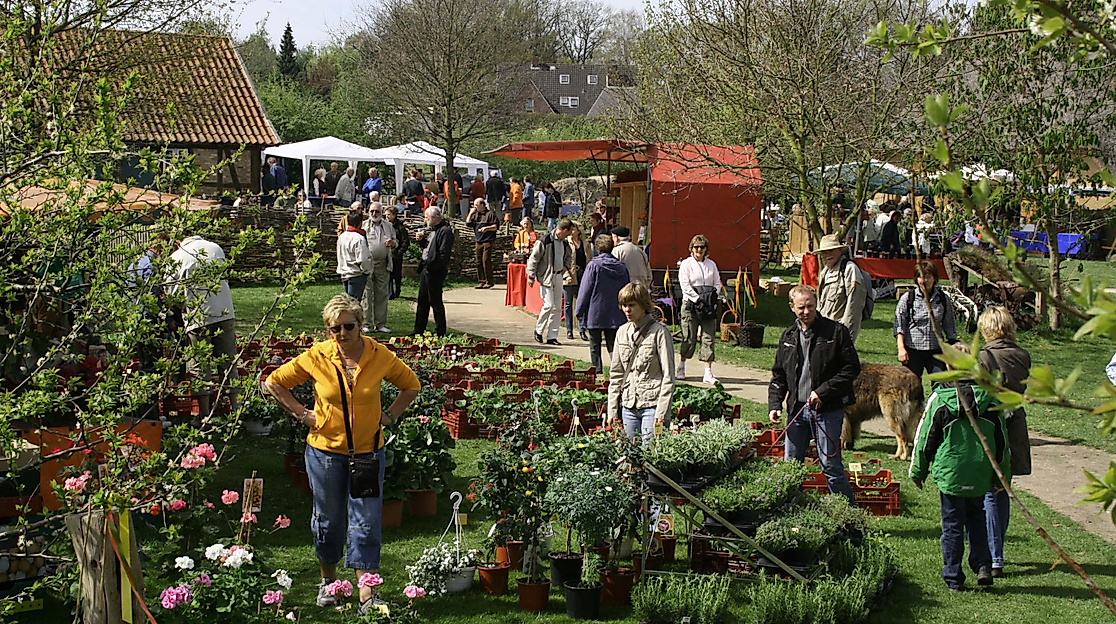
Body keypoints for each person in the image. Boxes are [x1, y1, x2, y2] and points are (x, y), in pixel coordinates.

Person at [264, 295, 420, 612]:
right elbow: (275, 382)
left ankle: (367, 593)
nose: (342, 333)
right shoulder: (318, 356)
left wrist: (389, 415)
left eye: (348, 326)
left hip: (367, 453)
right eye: (335, 328)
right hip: (325, 453)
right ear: (328, 330)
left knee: (366, 521)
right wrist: (301, 414)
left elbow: (411, 384)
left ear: (360, 325)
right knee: (328, 520)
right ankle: (329, 581)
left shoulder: (379, 355)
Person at [910, 343, 1009, 592]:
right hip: (979, 471)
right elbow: (1002, 443)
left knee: (952, 524)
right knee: (977, 518)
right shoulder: (991, 400)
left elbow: (925, 439)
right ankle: (983, 565)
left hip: (951, 472)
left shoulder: (941, 400)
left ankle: (953, 576)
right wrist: (1002, 476)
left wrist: (918, 471)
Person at [768, 285, 858, 503]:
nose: (806, 311)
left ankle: (847, 512)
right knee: (791, 465)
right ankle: (792, 508)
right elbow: (779, 374)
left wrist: (822, 392)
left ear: (816, 304)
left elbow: (851, 369)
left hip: (827, 409)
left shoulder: (836, 332)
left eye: (810, 306)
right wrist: (775, 404)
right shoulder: (788, 336)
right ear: (792, 307)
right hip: (797, 409)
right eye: (801, 307)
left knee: (830, 464)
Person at [976, 307, 1032, 578]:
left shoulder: (984, 357)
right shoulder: (1023, 355)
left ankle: (994, 557)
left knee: (989, 490)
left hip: (992, 424)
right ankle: (998, 550)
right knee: (1004, 488)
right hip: (1015, 424)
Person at [166, 234, 240, 416]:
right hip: (223, 311)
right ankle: (235, 407)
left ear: (178, 242)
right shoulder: (215, 248)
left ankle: (204, 413)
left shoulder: (176, 257)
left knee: (200, 365)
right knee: (228, 361)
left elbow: (171, 292)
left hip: (198, 317)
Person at [608, 282, 675, 443]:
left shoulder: (660, 332)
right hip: (628, 405)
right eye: (624, 305)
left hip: (653, 405)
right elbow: (616, 374)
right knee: (630, 453)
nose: (627, 310)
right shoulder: (622, 332)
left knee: (650, 452)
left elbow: (668, 376)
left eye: (632, 305)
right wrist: (612, 410)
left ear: (643, 305)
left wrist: (662, 411)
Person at [576, 235, 630, 375]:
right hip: (616, 312)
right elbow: (627, 290)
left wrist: (579, 310)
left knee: (595, 345)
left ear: (597, 248)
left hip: (596, 311)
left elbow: (585, 289)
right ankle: (618, 373)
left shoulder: (593, 266)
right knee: (613, 344)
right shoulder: (622, 267)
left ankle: (597, 372)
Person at [894, 261, 957, 377]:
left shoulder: (943, 299)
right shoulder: (908, 298)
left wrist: (953, 348)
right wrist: (901, 349)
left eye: (928, 277)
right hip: (913, 350)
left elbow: (949, 325)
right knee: (912, 384)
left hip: (936, 350)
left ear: (934, 278)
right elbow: (899, 326)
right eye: (921, 277)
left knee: (941, 383)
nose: (924, 281)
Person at [677, 234, 722, 384]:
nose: (699, 250)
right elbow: (685, 284)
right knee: (689, 337)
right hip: (691, 305)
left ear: (706, 249)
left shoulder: (712, 264)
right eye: (696, 247)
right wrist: (697, 299)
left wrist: (712, 296)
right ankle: (681, 365)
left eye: (702, 247)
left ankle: (708, 372)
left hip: (708, 305)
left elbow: (717, 283)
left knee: (709, 337)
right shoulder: (686, 264)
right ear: (691, 248)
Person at [527, 218, 574, 345]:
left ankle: (552, 336)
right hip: (546, 276)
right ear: (564, 230)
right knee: (548, 305)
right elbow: (534, 258)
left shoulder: (564, 243)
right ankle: (538, 330)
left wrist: (566, 267)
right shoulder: (545, 240)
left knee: (557, 308)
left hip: (558, 276)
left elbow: (568, 257)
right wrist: (531, 275)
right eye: (569, 231)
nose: (570, 234)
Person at [815, 234, 868, 342]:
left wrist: (845, 334)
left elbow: (855, 306)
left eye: (831, 251)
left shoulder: (850, 270)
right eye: (824, 252)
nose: (827, 255)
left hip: (839, 331)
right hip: (823, 330)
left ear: (839, 251)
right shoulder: (825, 272)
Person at [412, 207, 454, 336]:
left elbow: (443, 254)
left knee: (435, 302)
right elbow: (430, 250)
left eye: (427, 217)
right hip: (426, 269)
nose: (425, 220)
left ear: (435, 217)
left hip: (434, 271)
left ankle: (440, 331)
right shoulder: (433, 231)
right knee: (422, 301)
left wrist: (434, 267)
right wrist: (421, 242)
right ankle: (418, 330)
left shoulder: (445, 231)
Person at [363, 202, 397, 333]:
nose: (374, 214)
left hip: (383, 264)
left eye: (377, 211)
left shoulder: (388, 226)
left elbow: (396, 242)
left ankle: (380, 324)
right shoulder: (364, 225)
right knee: (367, 294)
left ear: (381, 213)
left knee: (382, 294)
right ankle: (365, 323)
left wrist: (392, 243)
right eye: (371, 211)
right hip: (367, 263)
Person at [337, 205, 372, 302]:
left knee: (348, 302)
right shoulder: (358, 238)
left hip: (344, 273)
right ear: (360, 223)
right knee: (354, 304)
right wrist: (366, 270)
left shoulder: (342, 236)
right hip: (356, 274)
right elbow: (363, 259)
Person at [465, 198, 499, 289]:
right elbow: (468, 223)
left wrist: (486, 228)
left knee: (486, 259)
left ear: (482, 205)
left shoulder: (490, 214)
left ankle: (489, 281)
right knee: (478, 261)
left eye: (476, 205)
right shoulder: (475, 215)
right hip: (478, 240)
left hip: (488, 240)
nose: (475, 207)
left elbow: (496, 226)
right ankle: (481, 281)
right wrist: (470, 213)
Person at [563, 223, 588, 341]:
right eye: (571, 229)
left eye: (574, 229)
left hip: (582, 275)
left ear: (579, 231)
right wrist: (566, 275)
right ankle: (569, 330)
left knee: (582, 302)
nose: (572, 232)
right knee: (568, 303)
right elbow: (562, 260)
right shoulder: (566, 243)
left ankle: (582, 329)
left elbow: (589, 260)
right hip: (569, 275)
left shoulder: (585, 244)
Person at [384, 206, 409, 300]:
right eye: (386, 215)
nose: (387, 217)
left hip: (397, 255)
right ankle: (390, 293)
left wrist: (399, 252)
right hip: (388, 253)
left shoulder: (400, 227)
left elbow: (405, 241)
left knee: (397, 274)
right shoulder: (385, 226)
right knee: (389, 274)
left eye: (389, 215)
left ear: (394, 215)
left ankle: (397, 291)